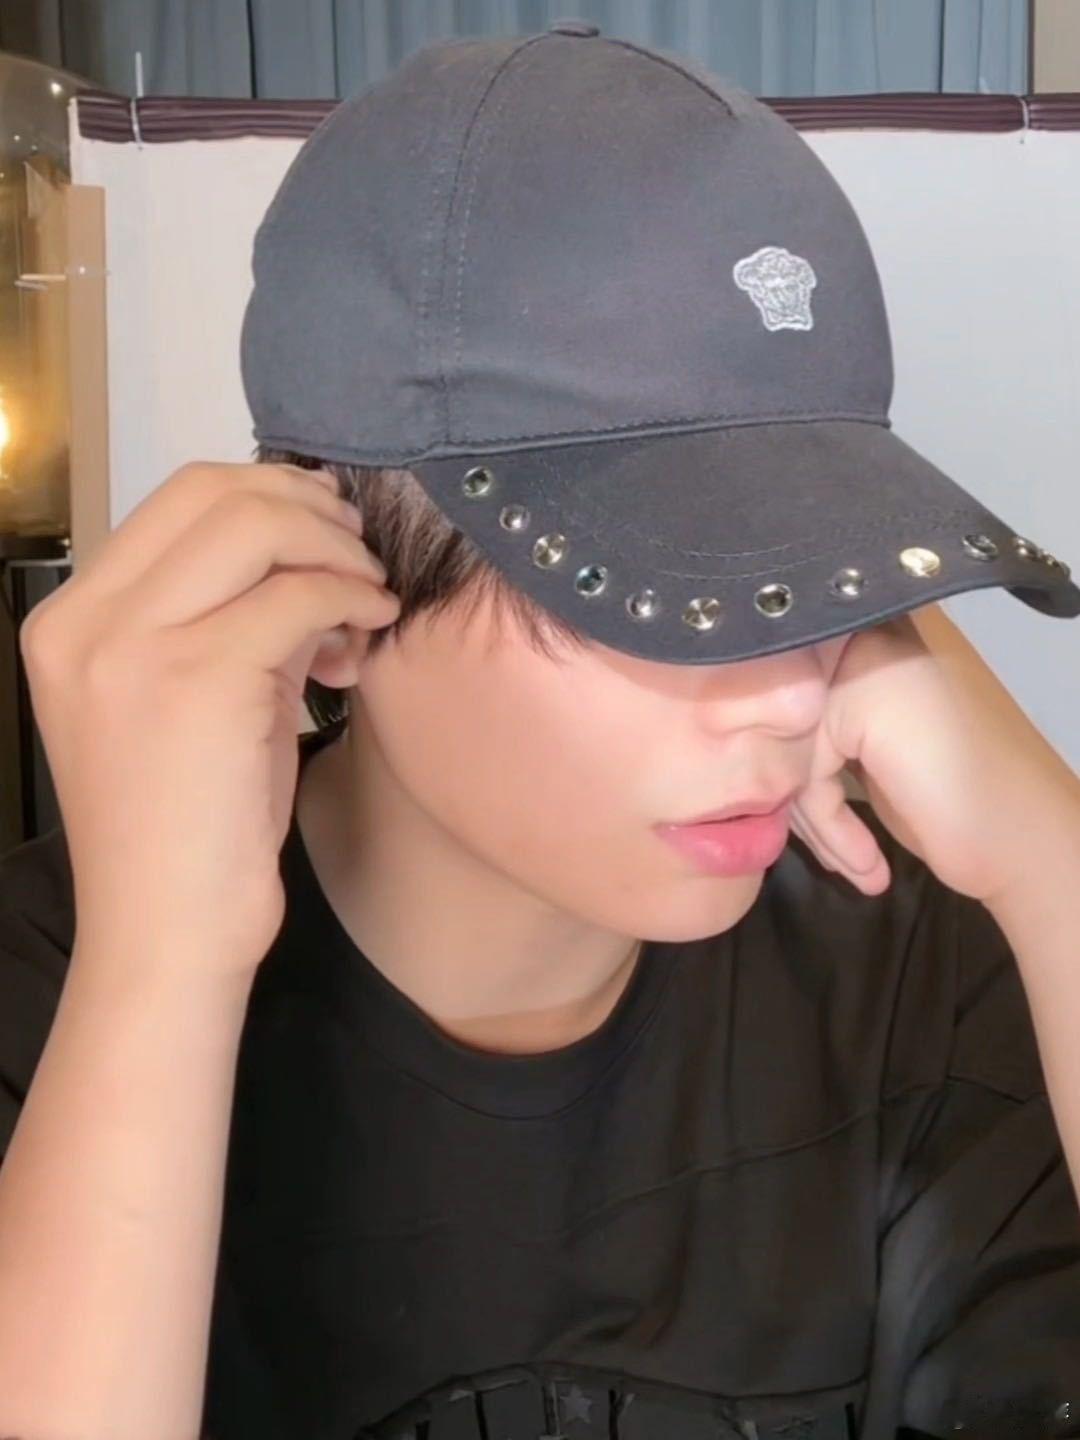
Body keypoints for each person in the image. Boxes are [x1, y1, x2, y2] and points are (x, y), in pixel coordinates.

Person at [1, 21, 1079, 1440]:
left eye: (816, 566)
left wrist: (1052, 862)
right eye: (653, 586)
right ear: (332, 587)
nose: (791, 689)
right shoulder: (45, 1000)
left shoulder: (914, 986)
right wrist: (155, 977)